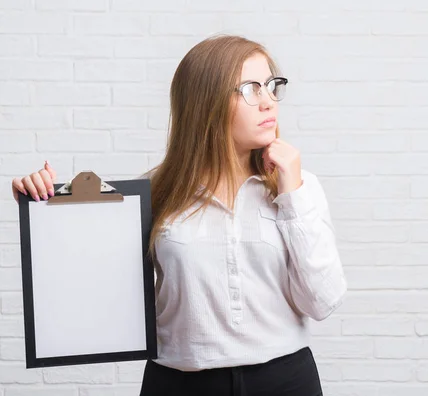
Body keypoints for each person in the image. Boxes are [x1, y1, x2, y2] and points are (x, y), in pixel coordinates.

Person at [11, 35, 346, 395]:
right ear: (207, 102)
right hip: (179, 384)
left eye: (270, 86)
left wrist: (292, 194)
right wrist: (43, 202)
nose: (268, 102)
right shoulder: (155, 190)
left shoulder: (297, 185)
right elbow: (85, 271)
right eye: (250, 89)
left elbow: (322, 302)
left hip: (285, 381)